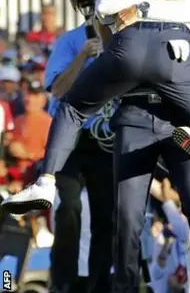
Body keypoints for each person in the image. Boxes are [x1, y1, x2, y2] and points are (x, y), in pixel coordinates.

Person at [1, 0, 190, 214]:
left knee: (72, 108)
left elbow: (104, 11)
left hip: (129, 49)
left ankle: (46, 180)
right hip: (177, 56)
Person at [44, 24, 115, 293]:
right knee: (70, 206)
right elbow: (58, 90)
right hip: (68, 136)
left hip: (104, 138)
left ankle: (99, 285)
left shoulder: (124, 40)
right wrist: (82, 57)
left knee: (106, 216)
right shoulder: (71, 41)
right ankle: (63, 282)